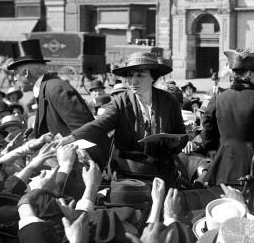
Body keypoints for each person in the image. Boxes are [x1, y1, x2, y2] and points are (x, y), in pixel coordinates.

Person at [58, 52, 185, 184]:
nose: (133, 81)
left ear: (153, 77)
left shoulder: (168, 101)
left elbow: (182, 133)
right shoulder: (120, 102)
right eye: (130, 75)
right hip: (128, 173)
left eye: (140, 75)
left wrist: (176, 143)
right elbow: (99, 124)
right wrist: (73, 137)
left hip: (163, 173)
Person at [198, 49, 254, 186]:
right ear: (249, 74)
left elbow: (207, 128)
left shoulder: (218, 99)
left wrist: (212, 149)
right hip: (251, 166)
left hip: (221, 166)